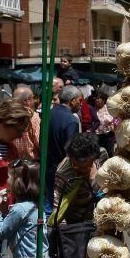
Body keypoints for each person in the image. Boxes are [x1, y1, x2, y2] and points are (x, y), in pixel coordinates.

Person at [50, 133, 108, 258]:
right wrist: (66, 238)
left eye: (85, 166)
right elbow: (58, 209)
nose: (81, 170)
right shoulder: (63, 174)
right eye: (76, 166)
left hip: (101, 217)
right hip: (77, 224)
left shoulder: (102, 154)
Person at [46, 85, 83, 213]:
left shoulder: (48, 114)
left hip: (47, 167)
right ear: (72, 101)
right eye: (79, 101)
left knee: (48, 204)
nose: (80, 105)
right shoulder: (71, 120)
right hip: (63, 171)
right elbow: (71, 150)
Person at [10, 85, 41, 159]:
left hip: (12, 163)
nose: (35, 100)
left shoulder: (8, 116)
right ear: (27, 101)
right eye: (33, 98)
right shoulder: (33, 118)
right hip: (30, 165)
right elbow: (40, 143)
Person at [94, 90, 117, 156]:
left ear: (103, 100)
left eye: (98, 98)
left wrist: (114, 125)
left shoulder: (109, 109)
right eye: (96, 98)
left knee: (109, 153)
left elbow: (117, 118)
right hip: (97, 135)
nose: (97, 100)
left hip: (108, 135)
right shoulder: (93, 110)